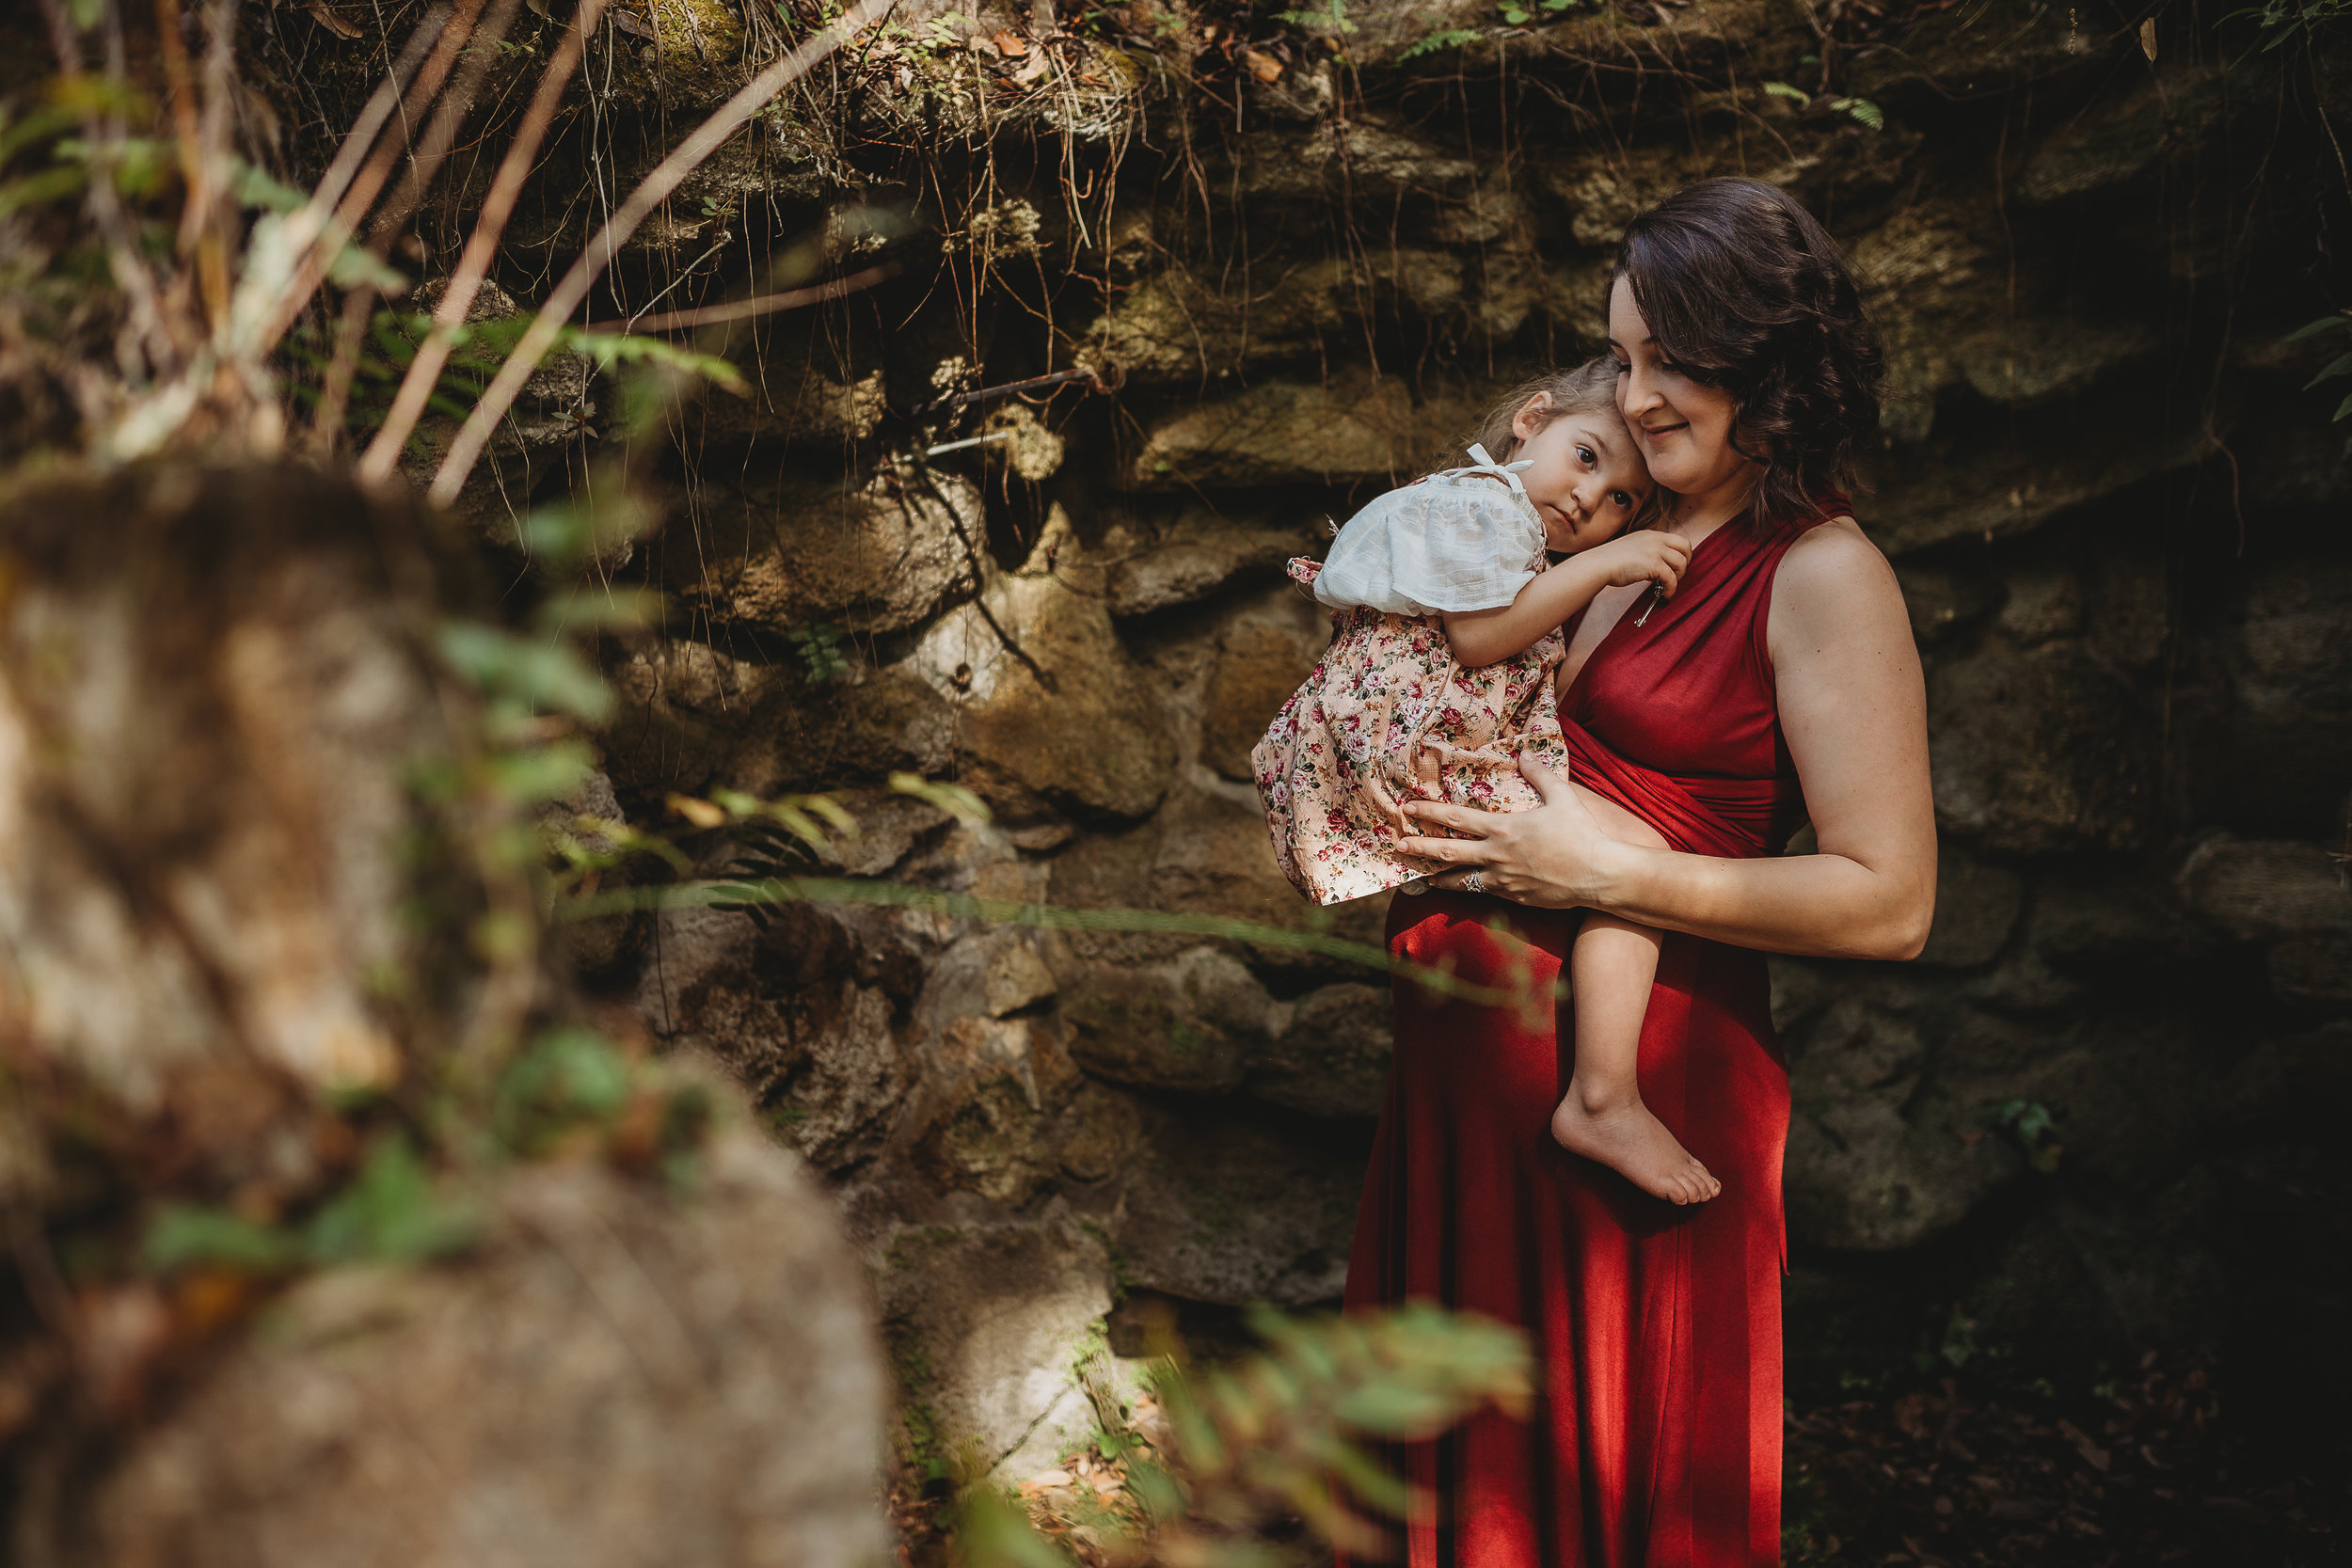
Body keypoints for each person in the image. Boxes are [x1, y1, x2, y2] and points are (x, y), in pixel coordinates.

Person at [1342, 177, 1938, 1568]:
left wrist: (1585, 870)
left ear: (1769, 364)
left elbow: (1891, 900)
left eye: (1675, 356)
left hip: (1637, 1108)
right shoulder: (1604, 535)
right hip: (1469, 1119)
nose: (1641, 389)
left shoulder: (1824, 573)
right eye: (1624, 354)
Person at [1255, 358, 1723, 1206]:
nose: (1592, 500)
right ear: (1532, 421)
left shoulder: (1492, 515)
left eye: (1622, 497)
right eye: (1587, 457)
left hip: (1414, 744)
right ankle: (1604, 1097)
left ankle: (1603, 1093)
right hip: (1413, 753)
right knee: (1634, 859)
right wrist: (1607, 563)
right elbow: (1477, 641)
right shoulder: (1485, 508)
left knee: (1624, 855)